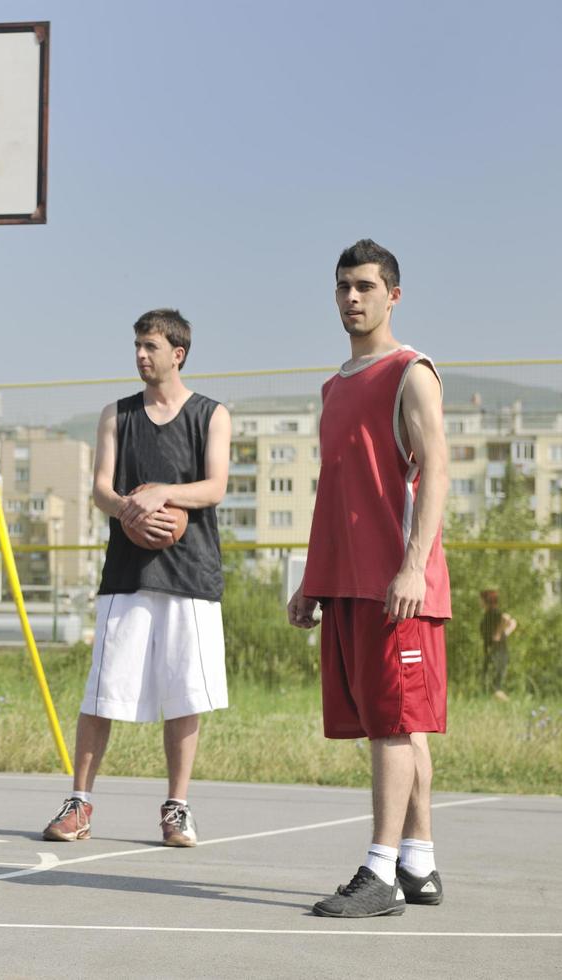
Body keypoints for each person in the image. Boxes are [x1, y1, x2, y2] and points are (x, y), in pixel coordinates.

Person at [289, 239, 451, 918]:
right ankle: (419, 860)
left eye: (365, 286)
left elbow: (437, 470)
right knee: (399, 726)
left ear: (393, 294)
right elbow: (336, 492)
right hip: (349, 584)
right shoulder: (334, 387)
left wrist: (413, 564)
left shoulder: (411, 372)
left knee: (393, 726)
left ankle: (379, 871)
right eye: (342, 288)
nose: (352, 298)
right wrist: (311, 580)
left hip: (399, 587)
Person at [41, 309, 230, 848]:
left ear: (179, 353)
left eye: (151, 346)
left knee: (185, 694)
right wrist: (131, 508)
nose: (141, 355)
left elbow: (214, 487)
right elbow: (102, 489)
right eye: (137, 346)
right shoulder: (116, 415)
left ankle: (177, 808)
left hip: (191, 575)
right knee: (102, 692)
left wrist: (161, 494)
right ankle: (79, 803)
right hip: (127, 574)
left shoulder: (211, 415)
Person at [479, 589, 516, 700]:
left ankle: (508, 704)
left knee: (494, 686)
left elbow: (507, 618)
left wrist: (499, 634)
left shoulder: (493, 612)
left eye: (480, 599)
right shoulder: (488, 613)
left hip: (497, 652)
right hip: (494, 651)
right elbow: (513, 623)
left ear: (486, 600)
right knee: (489, 683)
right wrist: (504, 633)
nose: (479, 602)